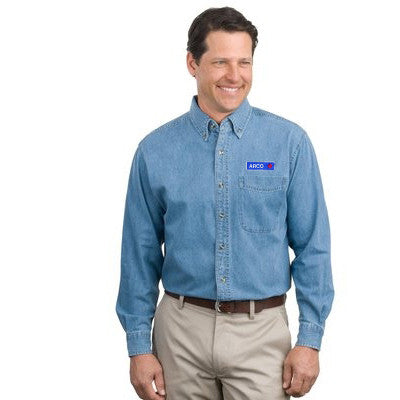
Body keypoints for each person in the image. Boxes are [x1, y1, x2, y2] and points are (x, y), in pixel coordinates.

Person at [116, 6, 334, 400]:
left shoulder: (289, 144)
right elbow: (139, 253)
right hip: (179, 334)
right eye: (220, 62)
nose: (234, 75)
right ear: (192, 63)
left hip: (262, 335)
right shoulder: (155, 151)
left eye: (244, 62)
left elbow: (313, 247)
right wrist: (138, 346)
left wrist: (310, 339)